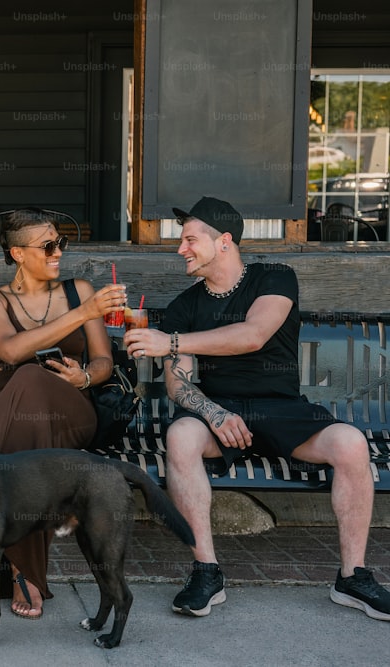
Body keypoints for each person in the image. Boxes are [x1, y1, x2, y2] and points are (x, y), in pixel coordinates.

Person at [123, 196, 390, 621]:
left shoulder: (275, 277)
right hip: (220, 411)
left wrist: (169, 342)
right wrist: (212, 414)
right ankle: (206, 571)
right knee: (180, 435)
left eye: (190, 239)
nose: (181, 249)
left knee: (352, 443)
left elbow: (254, 335)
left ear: (224, 240)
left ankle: (352, 577)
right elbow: (179, 385)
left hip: (282, 408)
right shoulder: (184, 307)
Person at [0, 208, 127, 619]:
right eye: (48, 246)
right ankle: (25, 570)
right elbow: (9, 351)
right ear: (18, 254)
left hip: (72, 408)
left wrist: (85, 379)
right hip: (13, 412)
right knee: (25, 378)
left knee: (31, 380)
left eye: (61, 243)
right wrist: (85, 314)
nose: (58, 252)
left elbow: (103, 362)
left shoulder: (79, 290)